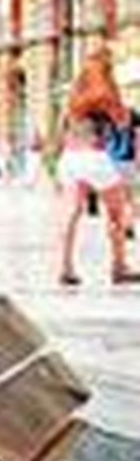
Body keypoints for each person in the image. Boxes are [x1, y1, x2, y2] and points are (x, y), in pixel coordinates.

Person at [54, 48, 140, 286]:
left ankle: (65, 267)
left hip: (69, 158)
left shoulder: (74, 94)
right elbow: (123, 122)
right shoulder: (104, 92)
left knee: (70, 213)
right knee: (116, 213)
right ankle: (119, 266)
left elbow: (61, 128)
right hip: (95, 157)